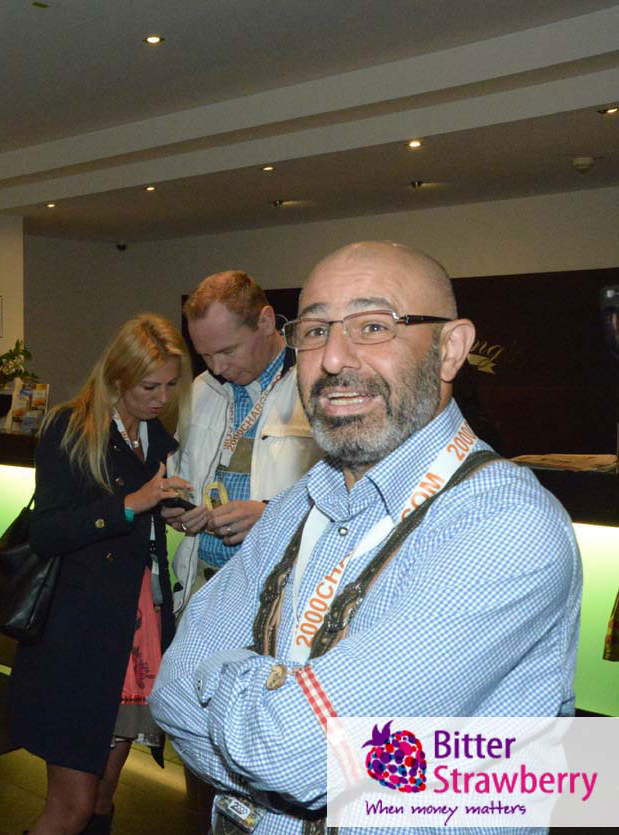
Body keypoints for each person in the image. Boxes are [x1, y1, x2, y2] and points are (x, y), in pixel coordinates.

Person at [150, 241, 582, 835]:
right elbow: (169, 693)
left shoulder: (505, 524)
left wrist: (231, 683)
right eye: (317, 329)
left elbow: (299, 753)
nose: (333, 358)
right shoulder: (297, 505)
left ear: (451, 348)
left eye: (374, 326)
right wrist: (279, 714)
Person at [9, 313, 193, 835]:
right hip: (79, 639)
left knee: (103, 799)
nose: (161, 398)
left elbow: (141, 519)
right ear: (117, 378)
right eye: (149, 386)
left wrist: (171, 511)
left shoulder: (153, 434)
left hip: (136, 634)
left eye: (170, 385)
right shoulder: (72, 427)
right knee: (70, 807)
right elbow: (47, 532)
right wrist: (129, 505)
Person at [166, 271, 320, 611]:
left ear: (265, 322)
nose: (218, 367)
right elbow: (178, 476)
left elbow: (355, 497)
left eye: (228, 350)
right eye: (205, 355)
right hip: (201, 589)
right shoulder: (201, 390)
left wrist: (271, 516)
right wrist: (178, 507)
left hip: (279, 595)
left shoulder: (318, 389)